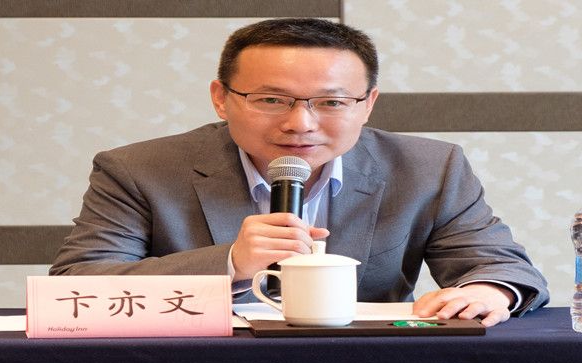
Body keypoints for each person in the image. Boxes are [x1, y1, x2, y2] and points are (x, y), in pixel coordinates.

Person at [51, 18, 549, 327]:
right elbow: (77, 285)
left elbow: (502, 267)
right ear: (221, 98)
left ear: (367, 103)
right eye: (271, 100)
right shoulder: (138, 169)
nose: (300, 124)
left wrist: (486, 291)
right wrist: (230, 263)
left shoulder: (428, 167)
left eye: (332, 102)